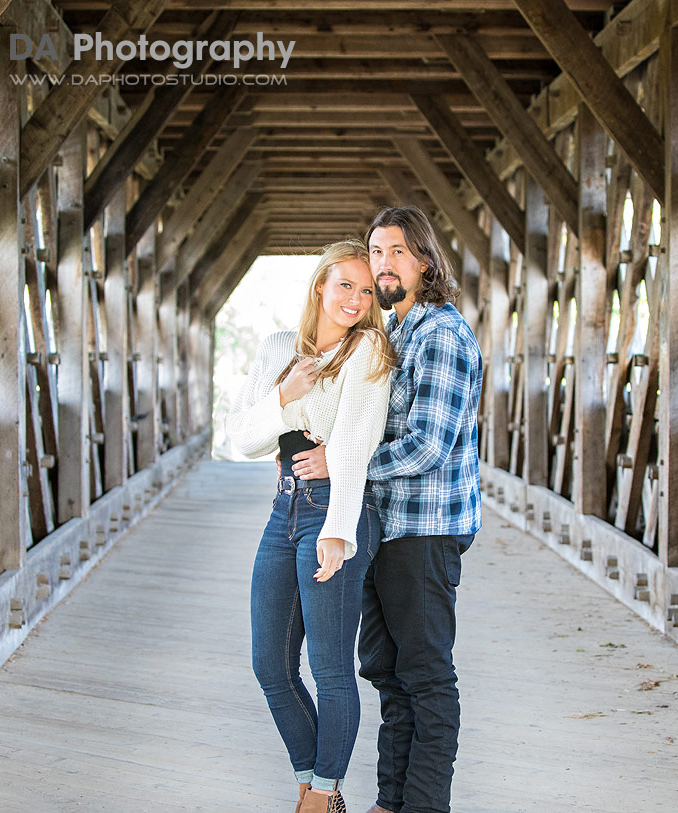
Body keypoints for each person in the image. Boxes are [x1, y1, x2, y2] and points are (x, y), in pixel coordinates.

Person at [290, 207, 483, 813]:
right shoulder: (392, 334)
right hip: (384, 527)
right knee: (386, 671)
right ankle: (390, 800)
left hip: (425, 529)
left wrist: (342, 464)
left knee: (425, 675)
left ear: (425, 260)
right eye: (376, 252)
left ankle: (425, 806)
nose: (383, 263)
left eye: (397, 251)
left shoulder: (443, 334)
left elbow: (428, 445)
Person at [227, 239, 397, 813]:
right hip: (283, 509)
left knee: (329, 667)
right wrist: (284, 393)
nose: (355, 298)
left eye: (366, 289)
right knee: (270, 663)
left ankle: (322, 796)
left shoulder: (368, 350)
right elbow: (243, 439)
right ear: (320, 284)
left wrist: (338, 531)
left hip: (337, 508)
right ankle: (311, 780)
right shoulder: (279, 348)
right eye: (345, 284)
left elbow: (352, 443)